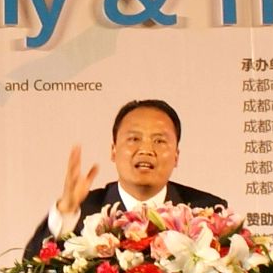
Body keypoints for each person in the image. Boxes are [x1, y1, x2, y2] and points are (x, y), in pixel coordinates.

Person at [25, 99, 226, 258]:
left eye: (159, 140)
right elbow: (34, 263)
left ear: (176, 156)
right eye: (134, 139)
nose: (146, 149)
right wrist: (66, 211)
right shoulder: (83, 212)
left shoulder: (205, 212)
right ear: (113, 150)